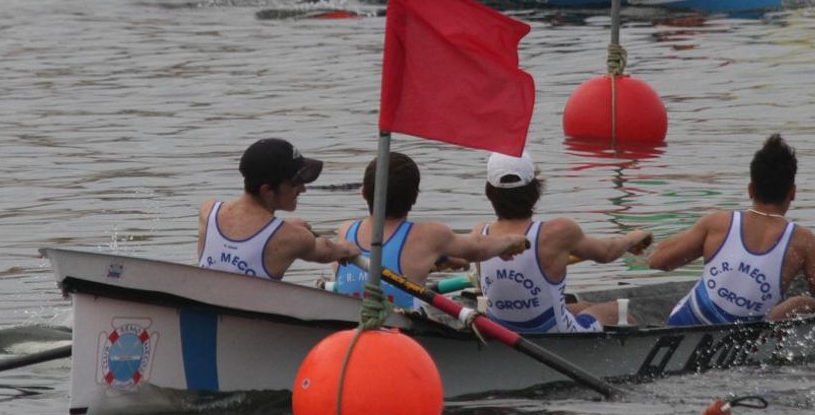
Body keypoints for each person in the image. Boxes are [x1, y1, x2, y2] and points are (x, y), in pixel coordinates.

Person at [648, 134, 815, 325]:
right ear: (792, 194)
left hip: (682, 323)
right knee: (808, 304)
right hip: (739, 340)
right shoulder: (802, 242)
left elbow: (658, 261)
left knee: (803, 303)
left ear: (750, 190)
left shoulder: (717, 223)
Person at [474, 150, 653, 333]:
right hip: (554, 332)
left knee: (583, 306)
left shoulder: (480, 234)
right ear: (535, 191)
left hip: (500, 332)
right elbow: (607, 253)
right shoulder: (558, 231)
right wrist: (631, 239)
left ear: (490, 193)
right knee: (615, 310)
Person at [331, 152, 527, 310]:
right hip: (401, 342)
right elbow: (477, 247)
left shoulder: (345, 231)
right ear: (415, 198)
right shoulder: (430, 236)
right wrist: (510, 241)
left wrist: (440, 260)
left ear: (363, 192)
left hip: (347, 336)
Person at [198, 138, 358, 281]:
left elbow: (246, 233)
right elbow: (325, 250)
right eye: (295, 183)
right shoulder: (293, 238)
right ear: (267, 191)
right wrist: (345, 249)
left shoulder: (208, 211)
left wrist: (284, 226)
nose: (303, 189)